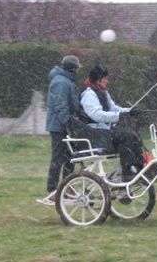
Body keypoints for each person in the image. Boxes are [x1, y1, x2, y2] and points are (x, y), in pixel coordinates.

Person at [80, 63, 145, 182]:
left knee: (133, 135)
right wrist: (118, 116)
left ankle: (140, 166)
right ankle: (127, 171)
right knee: (126, 137)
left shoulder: (103, 92)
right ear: (98, 80)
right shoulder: (89, 94)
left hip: (103, 131)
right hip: (94, 133)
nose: (107, 81)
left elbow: (114, 108)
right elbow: (96, 115)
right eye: (105, 78)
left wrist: (130, 111)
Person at [43, 55, 82, 202]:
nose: (78, 70)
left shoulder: (67, 81)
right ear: (73, 68)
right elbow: (61, 106)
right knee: (58, 158)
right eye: (77, 67)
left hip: (65, 126)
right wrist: (68, 123)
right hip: (59, 127)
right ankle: (52, 191)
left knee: (70, 158)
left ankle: (67, 186)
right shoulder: (61, 82)